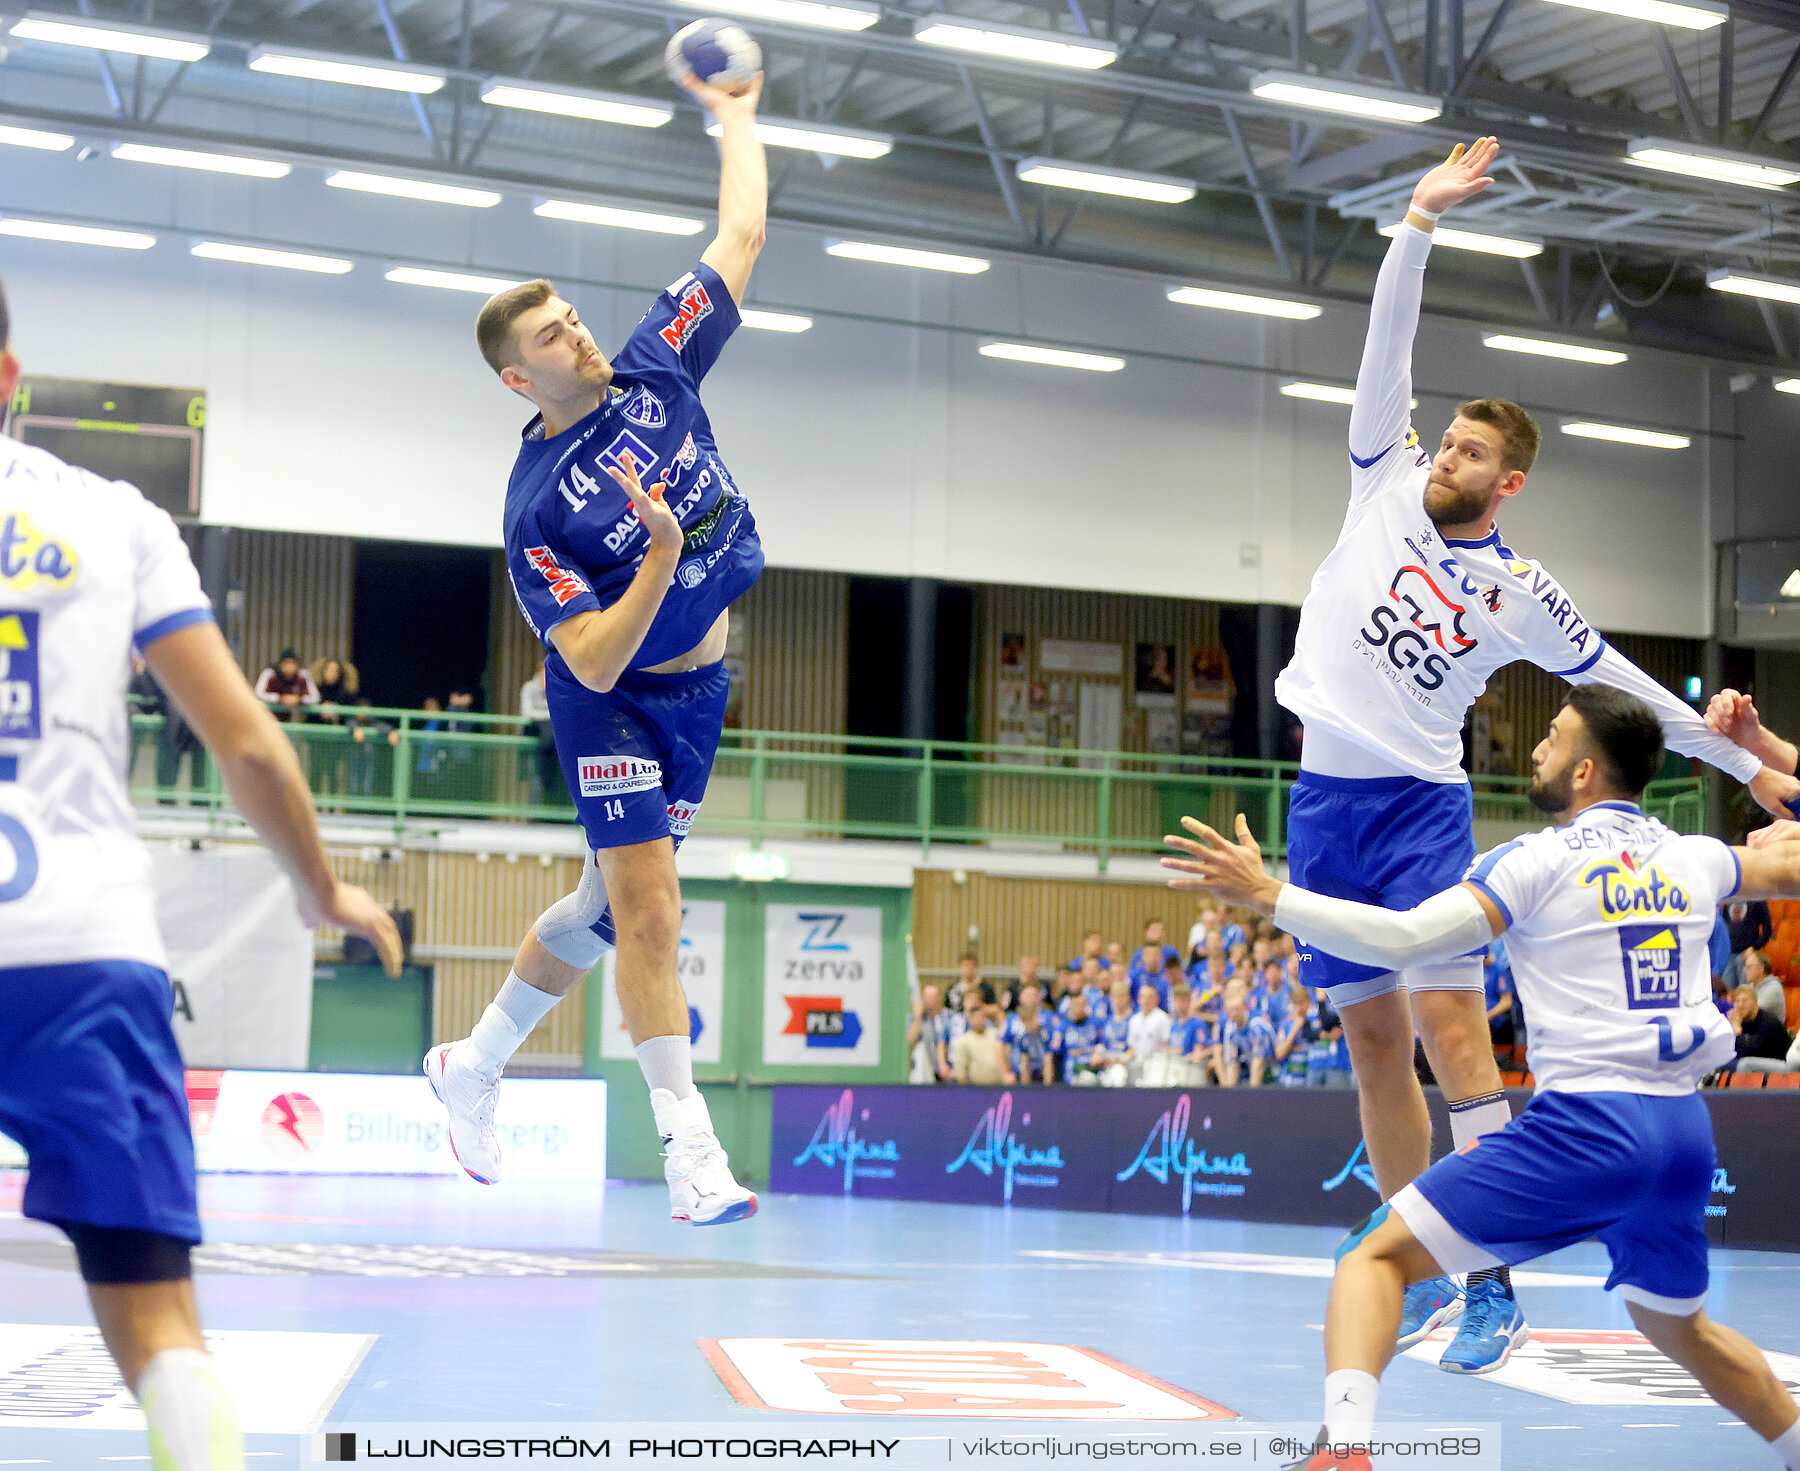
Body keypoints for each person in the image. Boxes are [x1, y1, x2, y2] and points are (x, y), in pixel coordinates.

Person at [1264, 136, 1800, 1372]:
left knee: (1452, 1025)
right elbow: (1383, 353)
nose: (1441, 453)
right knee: (1375, 1047)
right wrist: (1416, 221)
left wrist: (1749, 768)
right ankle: (1446, 1259)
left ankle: (1490, 1280)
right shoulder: (1378, 487)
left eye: (1464, 450)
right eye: (1440, 439)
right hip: (1325, 802)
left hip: (1419, 808)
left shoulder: (1520, 592)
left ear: (1505, 482)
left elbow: (1617, 686)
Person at [1165, 684, 1800, 1471]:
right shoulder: (1699, 856)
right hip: (1681, 1134)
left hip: (1584, 1128)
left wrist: (1268, 894)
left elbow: (1401, 940)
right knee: (1680, 1328)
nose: (1538, 747)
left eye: (1555, 736)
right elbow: (1789, 858)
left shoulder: (1532, 862)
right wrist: (1769, 753)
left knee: (1372, 1257)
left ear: (1584, 772)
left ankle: (1343, 1453)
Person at [0, 279, 403, 1471]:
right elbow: (245, 741)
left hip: (82, 947)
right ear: (11, 378)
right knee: (161, 1326)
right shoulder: (115, 518)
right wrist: (319, 888)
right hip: (82, 951)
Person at [422, 63, 769, 1226]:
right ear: (523, 377)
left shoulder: (658, 364)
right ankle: (691, 1153)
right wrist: (663, 556)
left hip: (702, 688)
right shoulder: (537, 512)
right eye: (553, 334)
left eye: (571, 311)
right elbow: (595, 662)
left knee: (603, 916)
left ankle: (471, 1065)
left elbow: (744, 230)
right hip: (611, 702)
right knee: (655, 912)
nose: (576, 328)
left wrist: (738, 119)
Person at [519, 659, 566, 807]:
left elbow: (562, 711)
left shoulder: (556, 688)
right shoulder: (529, 687)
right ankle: (534, 811)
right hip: (534, 732)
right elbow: (527, 712)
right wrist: (549, 715)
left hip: (553, 737)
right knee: (536, 775)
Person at [1214, 978, 1275, 1087]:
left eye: (1237, 1009)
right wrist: (1229, 1093)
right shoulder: (1233, 1032)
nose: (1234, 1014)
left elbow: (1258, 1063)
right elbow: (1233, 1063)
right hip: (1248, 1074)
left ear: (1244, 1007)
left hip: (1271, 1077)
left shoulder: (1257, 1026)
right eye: (1230, 1010)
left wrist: (1251, 1096)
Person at [1729, 983, 1791, 1068]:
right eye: (1737, 1001)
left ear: (1755, 1002)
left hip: (1782, 1065)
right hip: (1759, 1062)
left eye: (1745, 1000)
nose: (1740, 1005)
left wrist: (1737, 1029)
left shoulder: (1768, 1021)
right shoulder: (1743, 1020)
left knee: (1744, 1065)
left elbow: (1751, 1051)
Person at [950, 1004, 1013, 1087]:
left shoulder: (997, 1035)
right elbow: (960, 1073)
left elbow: (1008, 1056)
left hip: (1000, 1087)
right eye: (976, 1017)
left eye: (982, 1017)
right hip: (977, 1090)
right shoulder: (963, 1041)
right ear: (969, 1019)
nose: (979, 1020)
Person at [252, 648, 318, 721]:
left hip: (293, 720)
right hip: (268, 718)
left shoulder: (304, 675)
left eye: (292, 663)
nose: (289, 667)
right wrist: (279, 698)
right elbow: (258, 694)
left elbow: (315, 698)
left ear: (297, 665)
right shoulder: (269, 673)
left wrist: (299, 699)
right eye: (286, 663)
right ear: (280, 664)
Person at [907, 983, 953, 1084]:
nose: (931, 1000)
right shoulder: (914, 1018)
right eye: (927, 997)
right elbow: (910, 1040)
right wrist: (917, 1016)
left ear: (939, 998)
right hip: (924, 1073)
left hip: (947, 1072)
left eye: (933, 997)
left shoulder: (950, 1017)